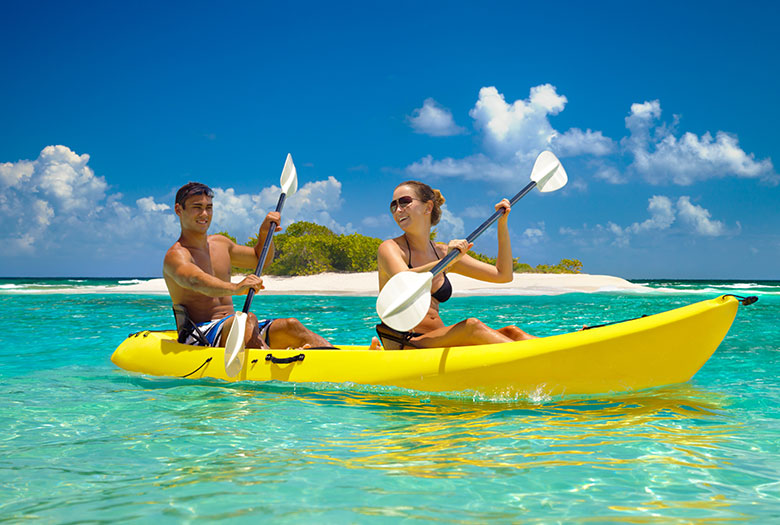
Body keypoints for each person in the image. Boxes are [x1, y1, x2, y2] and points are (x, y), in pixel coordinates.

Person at [163, 181, 332, 349]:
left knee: (291, 325)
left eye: (209, 207)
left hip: (234, 326)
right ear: (179, 210)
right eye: (197, 207)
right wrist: (236, 288)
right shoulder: (176, 255)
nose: (204, 214)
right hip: (199, 333)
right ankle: (267, 358)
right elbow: (195, 280)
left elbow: (260, 260)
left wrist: (264, 233)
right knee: (247, 320)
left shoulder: (221, 244)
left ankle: (333, 356)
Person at [376, 180, 536, 349]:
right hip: (405, 341)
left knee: (513, 332)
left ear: (428, 207)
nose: (398, 210)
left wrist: (502, 223)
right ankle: (531, 357)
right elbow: (403, 280)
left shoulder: (444, 253)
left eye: (404, 202)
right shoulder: (390, 248)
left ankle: (550, 354)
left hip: (436, 339)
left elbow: (503, 275)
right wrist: (447, 262)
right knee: (471, 326)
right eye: (393, 206)